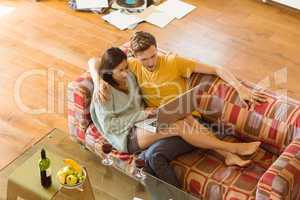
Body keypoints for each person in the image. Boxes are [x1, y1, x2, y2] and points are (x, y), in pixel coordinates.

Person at [89, 32, 267, 187]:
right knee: (179, 125)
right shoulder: (118, 80)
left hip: (152, 122)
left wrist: (240, 88)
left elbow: (216, 69)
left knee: (184, 117)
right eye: (144, 59)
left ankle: (227, 154)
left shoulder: (153, 65)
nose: (150, 63)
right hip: (131, 132)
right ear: (134, 58)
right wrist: (98, 83)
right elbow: (95, 62)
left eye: (153, 55)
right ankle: (233, 149)